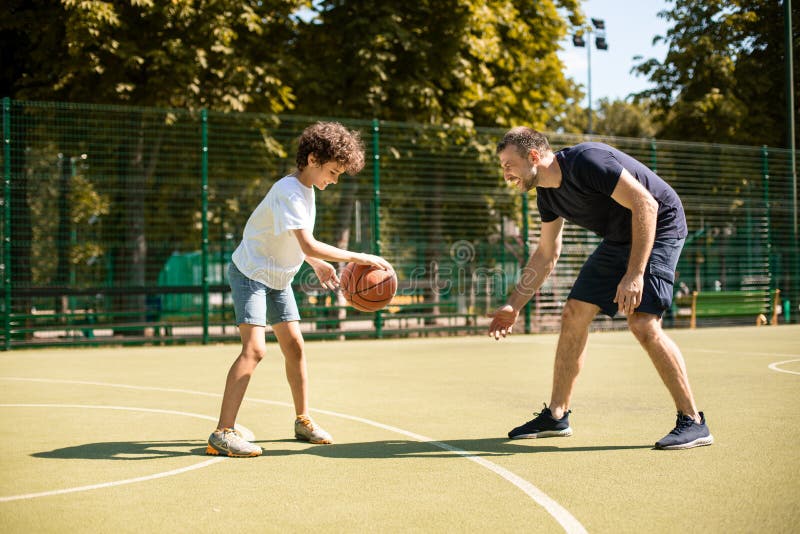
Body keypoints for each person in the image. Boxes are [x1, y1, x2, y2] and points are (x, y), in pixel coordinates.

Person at [488, 127, 713, 451]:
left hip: (660, 224)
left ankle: (693, 421)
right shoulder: (548, 196)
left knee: (642, 322)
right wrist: (514, 305)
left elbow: (646, 205)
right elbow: (546, 254)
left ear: (534, 156)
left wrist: (635, 275)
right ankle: (556, 415)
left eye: (508, 165)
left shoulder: (587, 162)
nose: (506, 174)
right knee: (574, 313)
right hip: (622, 237)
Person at [206, 122, 392, 457]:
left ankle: (302, 420)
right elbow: (308, 240)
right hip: (250, 274)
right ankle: (222, 432)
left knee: (294, 346)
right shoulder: (289, 191)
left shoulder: (305, 190)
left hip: (278, 277)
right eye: (333, 172)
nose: (334, 180)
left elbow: (293, 240)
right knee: (255, 350)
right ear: (312, 159)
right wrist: (358, 255)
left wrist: (314, 262)